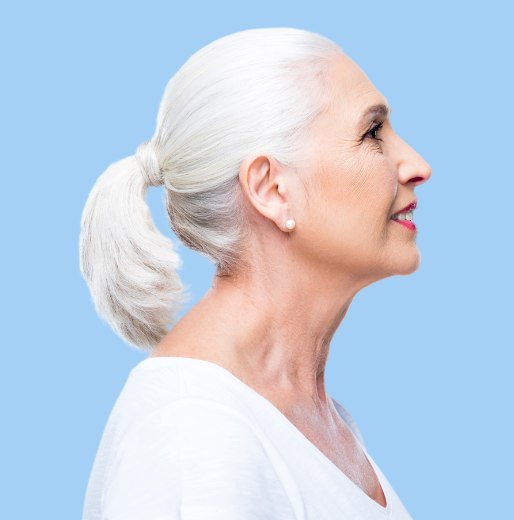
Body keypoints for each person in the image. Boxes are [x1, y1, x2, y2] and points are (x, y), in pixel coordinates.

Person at [79, 27, 431, 520]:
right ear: (271, 189)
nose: (418, 165)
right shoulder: (197, 433)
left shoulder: (312, 419)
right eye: (372, 133)